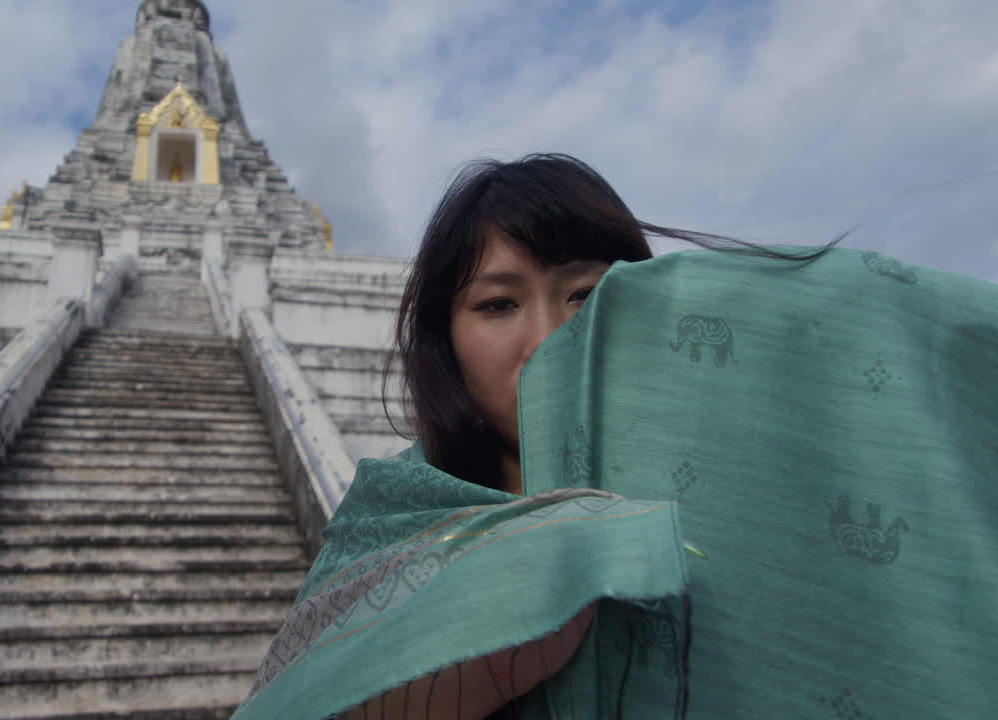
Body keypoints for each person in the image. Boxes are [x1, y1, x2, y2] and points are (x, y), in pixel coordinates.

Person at [234, 155, 998, 719]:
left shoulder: (737, 491)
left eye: (586, 294)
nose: (549, 340)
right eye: (498, 305)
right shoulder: (393, 524)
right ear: (446, 340)